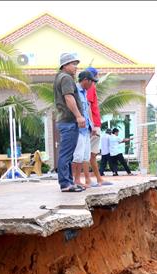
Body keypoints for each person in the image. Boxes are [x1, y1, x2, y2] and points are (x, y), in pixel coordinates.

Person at [53, 52, 85, 192]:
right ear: (65, 65)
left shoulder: (60, 77)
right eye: (73, 64)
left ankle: (69, 182)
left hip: (66, 121)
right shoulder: (66, 78)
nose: (76, 67)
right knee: (66, 154)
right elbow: (69, 98)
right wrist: (78, 116)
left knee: (68, 154)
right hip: (68, 121)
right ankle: (65, 184)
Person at [83, 67, 113, 186]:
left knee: (92, 155)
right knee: (88, 154)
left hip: (95, 123)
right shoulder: (91, 87)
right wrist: (92, 125)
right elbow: (88, 106)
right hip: (93, 124)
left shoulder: (91, 87)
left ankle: (98, 179)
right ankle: (88, 180)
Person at [72, 70, 95, 188]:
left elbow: (87, 110)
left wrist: (92, 125)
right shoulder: (75, 91)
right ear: (85, 80)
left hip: (86, 129)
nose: (92, 84)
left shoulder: (85, 92)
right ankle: (75, 180)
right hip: (78, 129)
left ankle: (78, 180)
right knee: (77, 156)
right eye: (91, 82)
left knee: (85, 156)